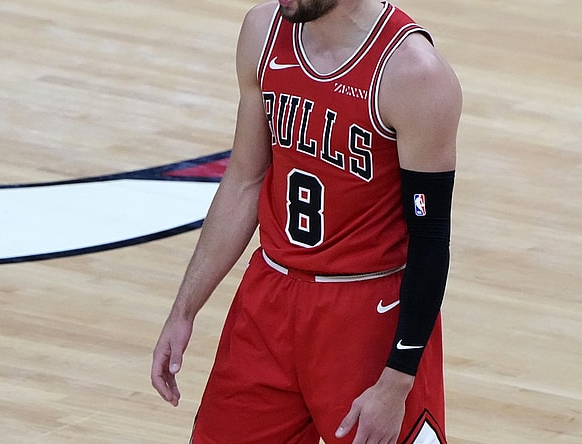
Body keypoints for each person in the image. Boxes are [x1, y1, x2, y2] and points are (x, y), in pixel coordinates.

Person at [151, 0, 461, 442]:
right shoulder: (262, 32)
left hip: (366, 317)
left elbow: (430, 239)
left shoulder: (414, 74)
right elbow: (244, 180)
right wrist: (183, 311)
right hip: (269, 301)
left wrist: (397, 380)